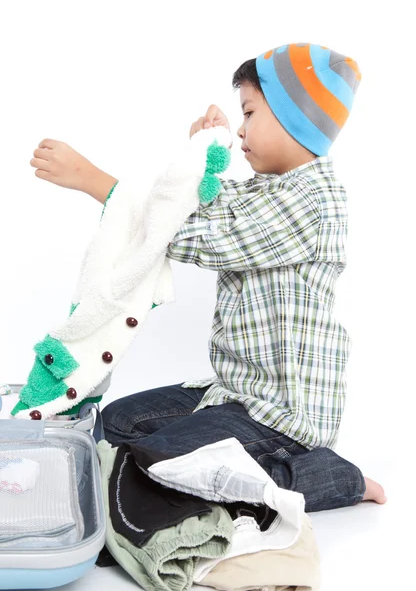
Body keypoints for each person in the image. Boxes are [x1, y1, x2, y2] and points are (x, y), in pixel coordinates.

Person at [30, 42, 386, 511]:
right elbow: (202, 204)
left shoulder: (313, 202)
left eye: (250, 112)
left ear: (292, 116)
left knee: (162, 462)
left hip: (283, 418)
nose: (241, 131)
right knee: (114, 426)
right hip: (234, 395)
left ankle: (333, 477)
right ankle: (204, 461)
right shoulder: (268, 191)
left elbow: (199, 236)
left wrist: (93, 180)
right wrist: (202, 154)